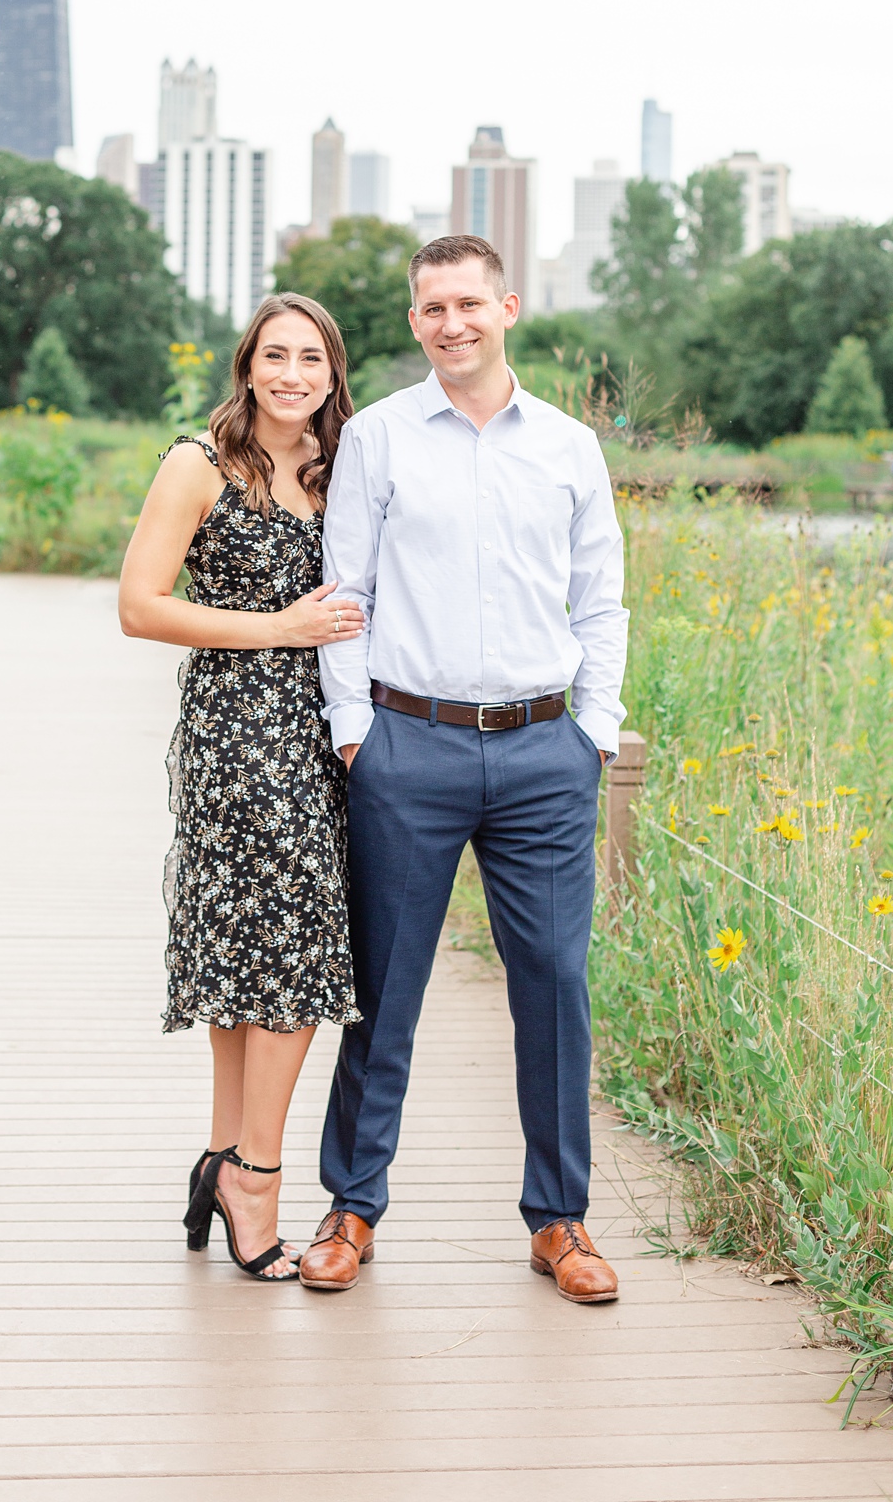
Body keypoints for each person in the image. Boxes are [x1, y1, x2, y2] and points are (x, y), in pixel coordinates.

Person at [299, 232, 629, 1301]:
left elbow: (600, 599)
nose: (453, 324)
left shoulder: (570, 446)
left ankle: (560, 1220)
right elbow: (345, 592)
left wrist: (593, 731)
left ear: (507, 308)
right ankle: (352, 1206)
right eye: (433, 309)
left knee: (556, 987)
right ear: (415, 322)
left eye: (469, 305)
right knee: (384, 987)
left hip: (543, 752)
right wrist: (355, 731)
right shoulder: (380, 438)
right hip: (409, 745)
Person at [118, 291, 367, 1282]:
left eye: (311, 358)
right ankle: (256, 1179)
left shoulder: (341, 466)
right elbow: (139, 606)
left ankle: (223, 1155)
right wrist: (279, 628)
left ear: (333, 372)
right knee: (286, 951)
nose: (292, 375)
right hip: (236, 733)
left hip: (323, 730)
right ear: (247, 366)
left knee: (257, 949)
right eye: (275, 356)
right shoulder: (201, 463)